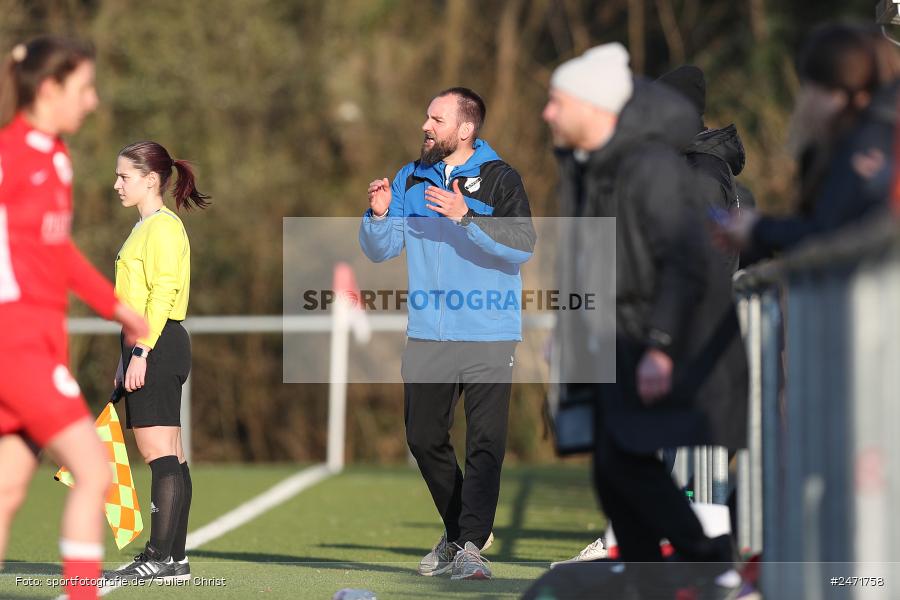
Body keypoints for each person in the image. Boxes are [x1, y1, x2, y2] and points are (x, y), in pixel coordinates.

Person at [541, 43, 748, 597]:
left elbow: (686, 262)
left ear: (593, 107)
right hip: (618, 343)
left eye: (558, 102)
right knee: (614, 473)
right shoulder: (595, 168)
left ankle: (715, 569)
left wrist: (660, 344)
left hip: (662, 347)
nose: (547, 114)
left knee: (630, 470)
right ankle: (653, 583)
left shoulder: (651, 168)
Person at [359, 87, 535, 581]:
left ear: (465, 129)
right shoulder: (409, 177)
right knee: (423, 437)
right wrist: (377, 215)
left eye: (436, 119)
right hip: (428, 333)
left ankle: (471, 546)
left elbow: (522, 245)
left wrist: (467, 218)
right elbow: (381, 249)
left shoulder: (501, 178)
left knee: (485, 442)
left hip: (489, 331)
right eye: (426, 117)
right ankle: (460, 532)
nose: (425, 126)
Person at [0, 36, 148, 600]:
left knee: (9, 489)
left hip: (36, 344)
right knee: (95, 471)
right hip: (17, 348)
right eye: (84, 88)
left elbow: (57, 254)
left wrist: (117, 309)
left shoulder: (55, 157)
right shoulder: (11, 157)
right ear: (49, 88)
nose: (93, 101)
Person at [107, 141, 209, 581]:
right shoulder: (144, 227)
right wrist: (125, 354)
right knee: (171, 455)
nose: (116, 184)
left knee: (158, 456)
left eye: (124, 176)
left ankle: (157, 556)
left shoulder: (163, 228)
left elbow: (162, 294)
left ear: (152, 180)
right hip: (149, 344)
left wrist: (142, 352)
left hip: (158, 344)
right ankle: (174, 560)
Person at [716, 23, 900, 258]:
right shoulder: (878, 132)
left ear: (833, 94)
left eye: (808, 87)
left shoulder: (861, 145)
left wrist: (757, 229)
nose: (803, 102)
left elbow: (827, 233)